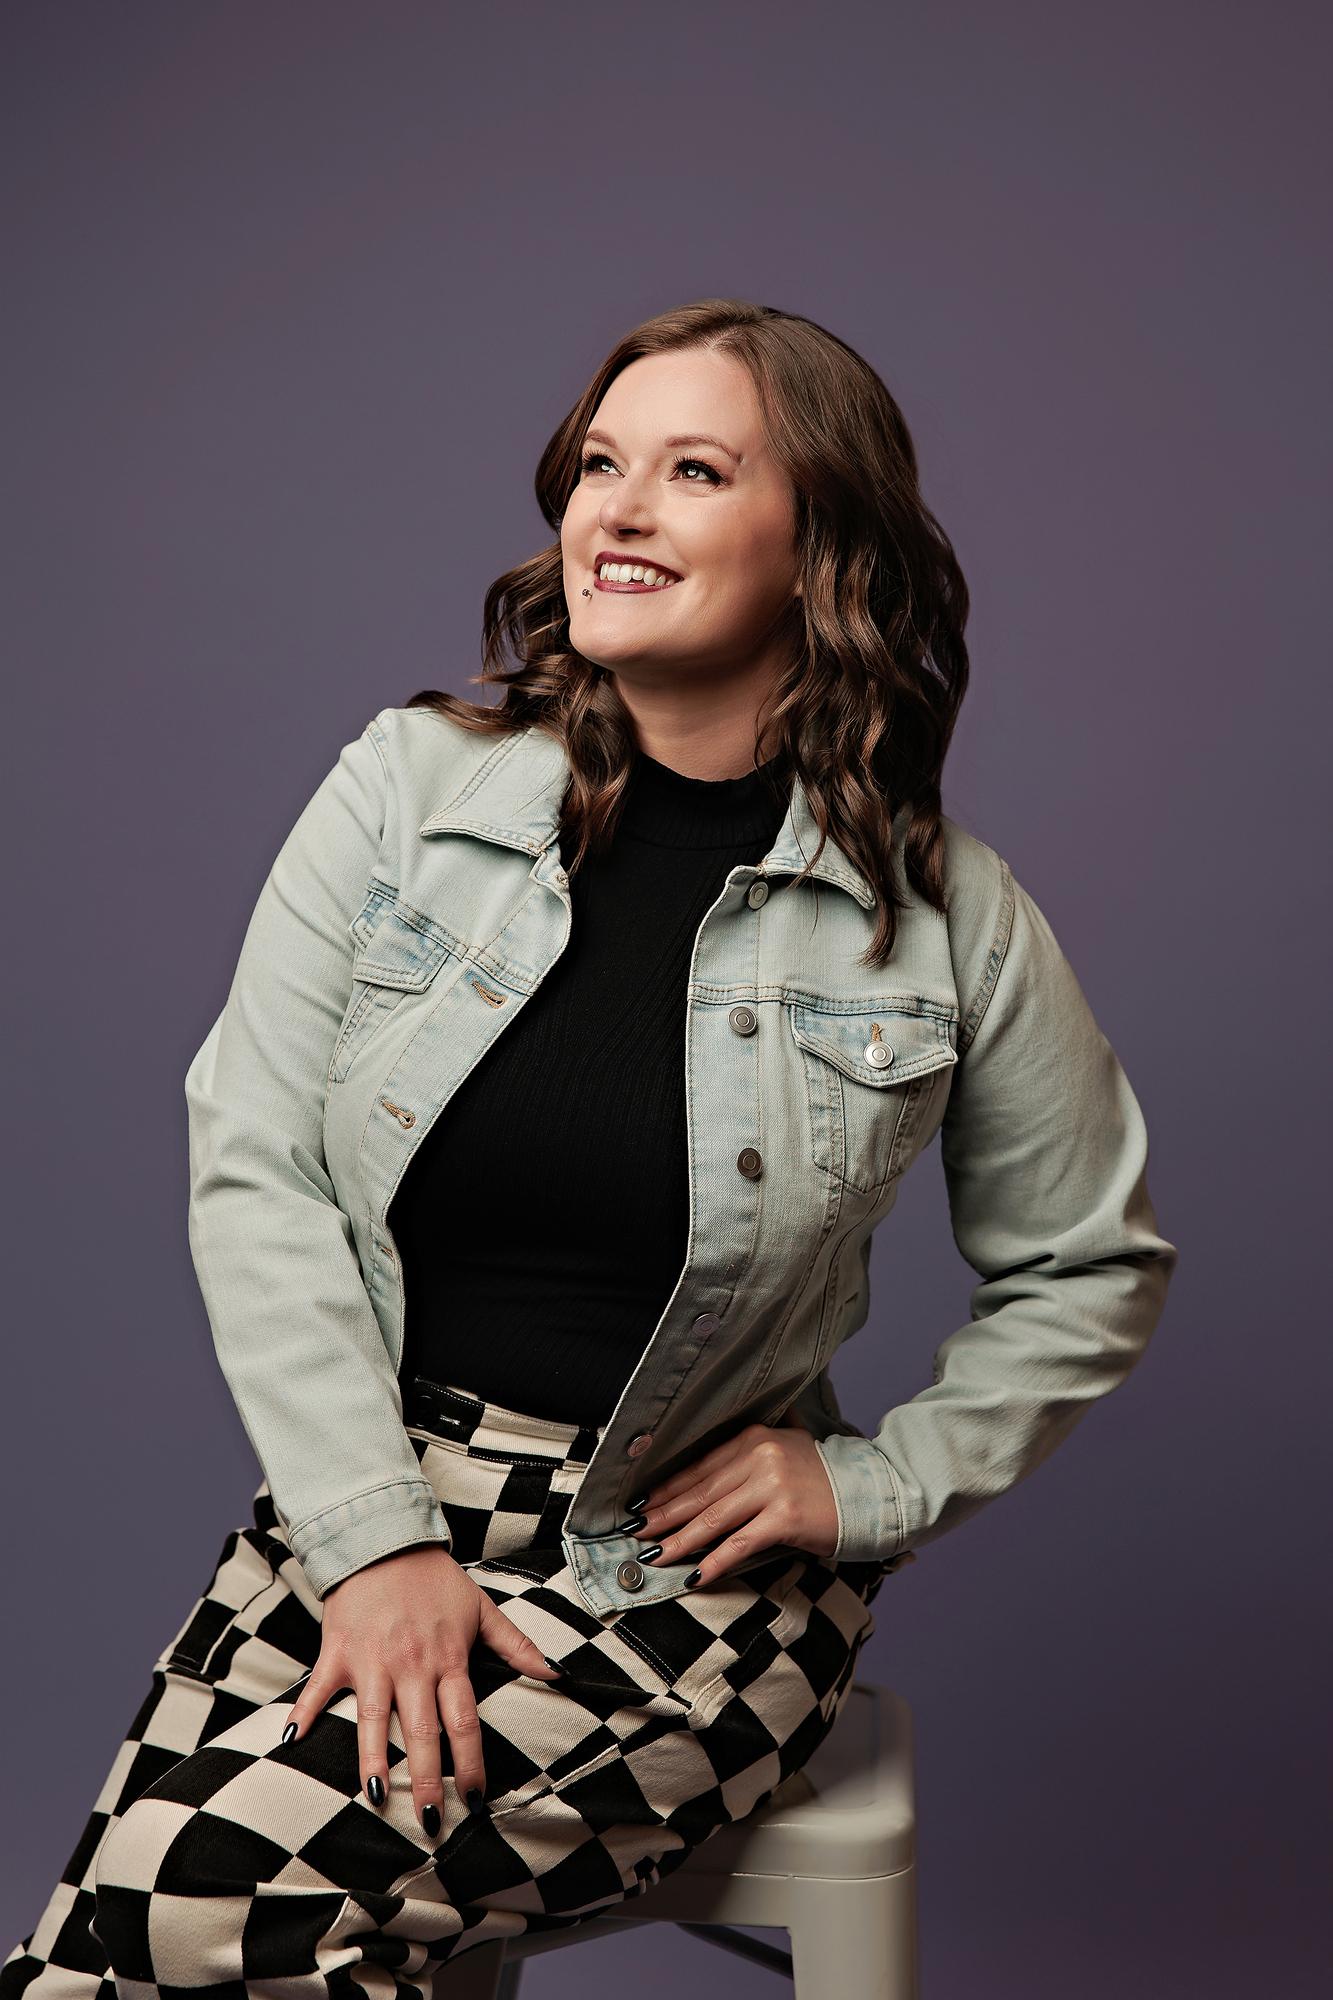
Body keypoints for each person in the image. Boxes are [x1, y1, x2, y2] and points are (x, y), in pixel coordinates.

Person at [1, 298, 1178, 1995]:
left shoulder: (945, 923)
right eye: (598, 466)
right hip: (364, 1509)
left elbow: (1090, 1265)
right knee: (96, 1955)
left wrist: (866, 1482)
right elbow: (257, 1162)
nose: (613, 512)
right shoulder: (408, 792)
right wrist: (379, 1543)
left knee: (184, 1915)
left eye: (691, 471)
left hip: (674, 1587)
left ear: (821, 548)